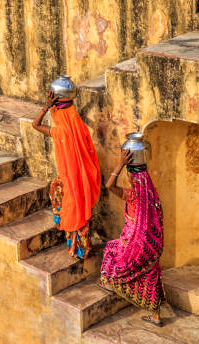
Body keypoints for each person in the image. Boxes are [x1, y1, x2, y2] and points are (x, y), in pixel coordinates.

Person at [98, 148, 165, 326]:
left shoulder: (132, 195)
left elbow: (109, 186)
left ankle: (110, 283)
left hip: (132, 244)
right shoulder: (152, 197)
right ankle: (156, 315)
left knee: (111, 250)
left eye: (130, 177)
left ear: (133, 179)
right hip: (151, 247)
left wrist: (120, 164)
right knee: (151, 275)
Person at [32, 91, 101, 259]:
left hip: (70, 179)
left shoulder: (60, 131)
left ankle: (76, 247)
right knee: (78, 208)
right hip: (83, 178)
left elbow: (35, 125)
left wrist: (46, 107)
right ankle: (81, 248)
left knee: (69, 205)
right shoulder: (79, 126)